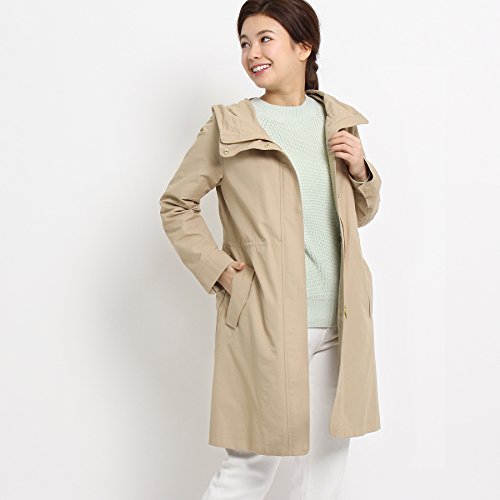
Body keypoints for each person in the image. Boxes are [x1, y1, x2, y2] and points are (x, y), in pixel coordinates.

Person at [159, 1, 382, 498]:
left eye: (265, 39)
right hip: (267, 319)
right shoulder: (230, 126)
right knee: (252, 465)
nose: (252, 53)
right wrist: (221, 271)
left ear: (303, 47)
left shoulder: (337, 122)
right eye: (244, 42)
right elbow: (177, 204)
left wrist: (361, 171)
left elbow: (356, 217)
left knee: (325, 467)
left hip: (340, 320)